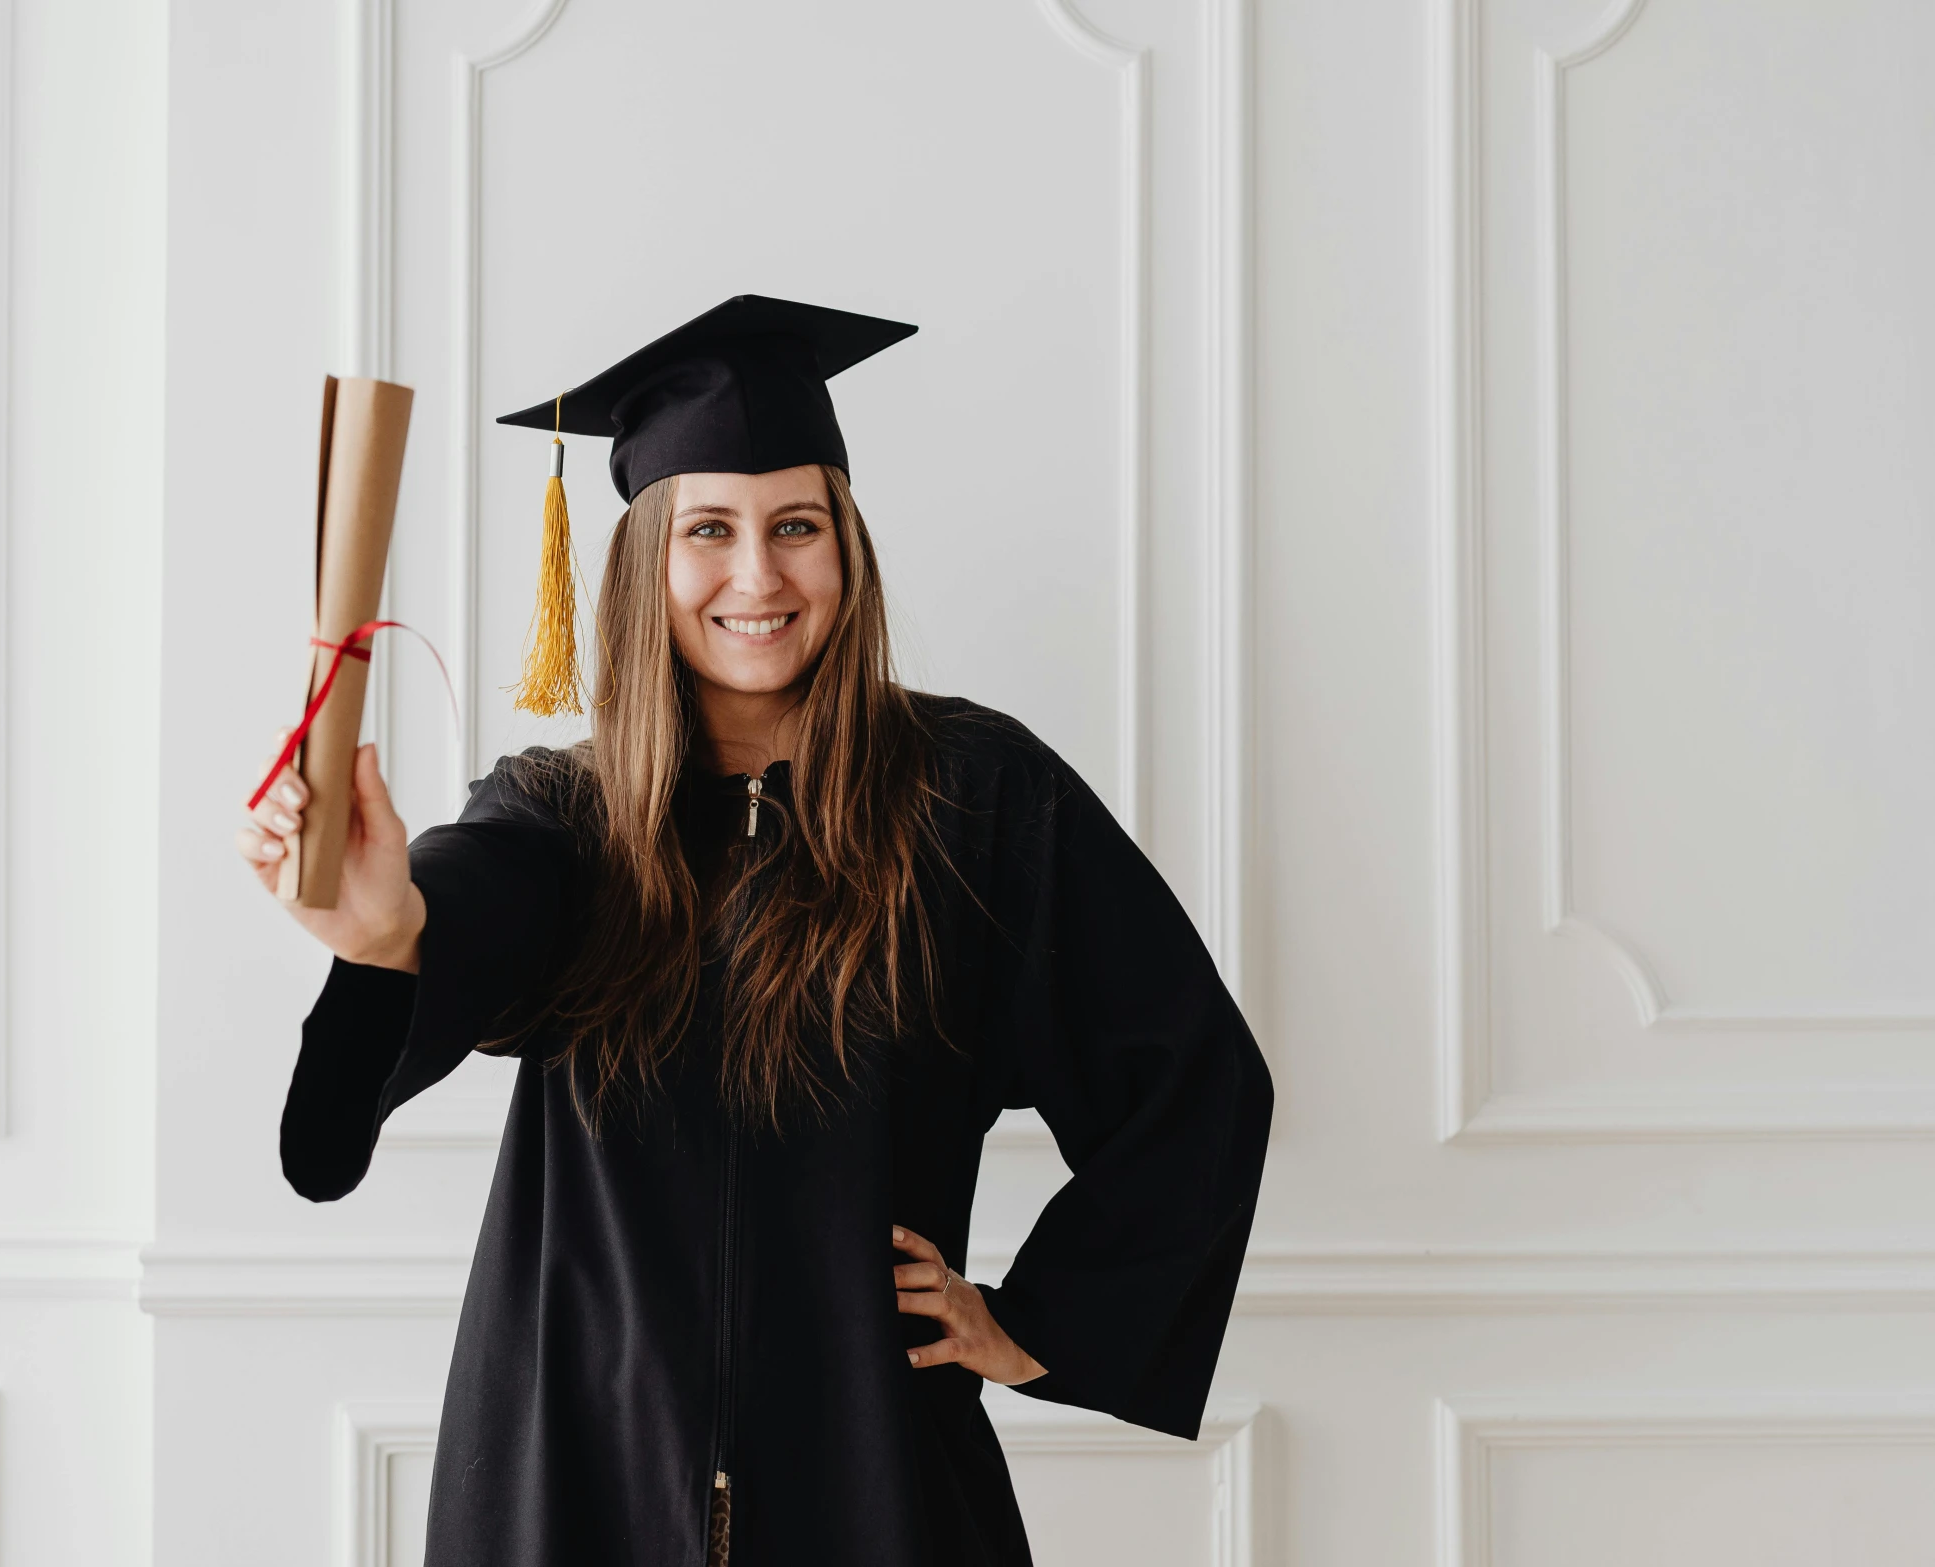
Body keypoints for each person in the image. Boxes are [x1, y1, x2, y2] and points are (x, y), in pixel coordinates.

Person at [238, 296, 1273, 1567]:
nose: (757, 576)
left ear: (848, 546)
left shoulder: (978, 798)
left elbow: (1191, 1077)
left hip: (874, 1474)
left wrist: (1033, 1322)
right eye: (707, 531)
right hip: (578, 1471)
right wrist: (388, 931)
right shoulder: (564, 819)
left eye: (797, 526)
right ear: (638, 565)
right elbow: (455, 931)